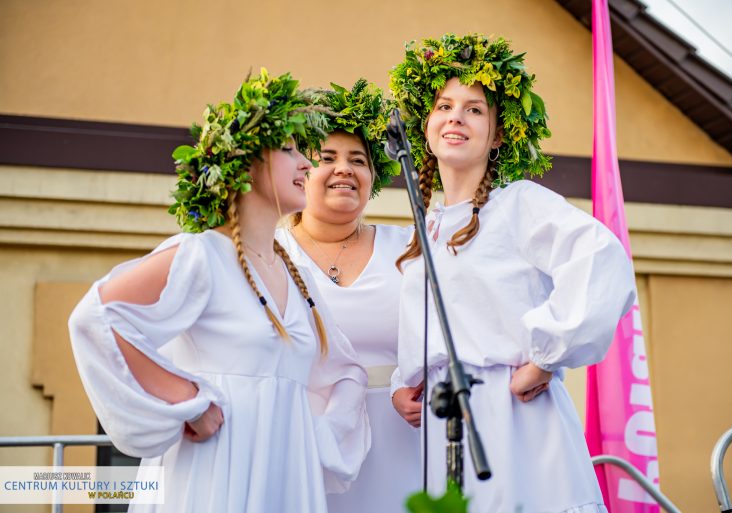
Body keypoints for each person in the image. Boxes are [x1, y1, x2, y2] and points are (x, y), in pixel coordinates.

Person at [68, 69, 370, 513]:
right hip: (214, 474)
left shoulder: (295, 277)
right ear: (245, 164)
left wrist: (317, 440)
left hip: (281, 477)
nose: (308, 164)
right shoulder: (203, 255)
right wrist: (187, 401)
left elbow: (346, 370)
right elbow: (97, 316)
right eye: (288, 150)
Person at [389, 34, 637, 513]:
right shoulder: (424, 231)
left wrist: (547, 356)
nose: (456, 116)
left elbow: (601, 256)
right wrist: (405, 383)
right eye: (444, 106)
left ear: (497, 135)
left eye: (475, 109)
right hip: (442, 428)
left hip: (511, 417)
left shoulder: (518, 204)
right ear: (426, 125)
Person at [275, 79, 421, 513]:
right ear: (301, 170)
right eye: (327, 158)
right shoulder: (269, 255)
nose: (344, 169)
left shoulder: (413, 247)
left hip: (404, 436)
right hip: (307, 440)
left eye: (358, 160)